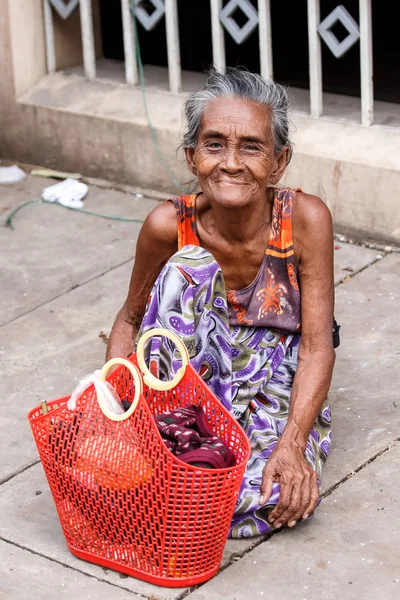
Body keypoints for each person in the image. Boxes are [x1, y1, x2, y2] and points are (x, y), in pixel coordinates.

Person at [106, 68, 336, 539]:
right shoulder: (167, 225)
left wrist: (293, 441)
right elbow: (130, 319)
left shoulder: (305, 220)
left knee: (271, 494)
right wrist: (119, 418)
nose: (230, 162)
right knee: (188, 266)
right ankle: (178, 434)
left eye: (251, 146)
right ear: (192, 157)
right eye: (214, 144)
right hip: (190, 377)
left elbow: (316, 346)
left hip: (277, 373)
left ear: (279, 161)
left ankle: (203, 458)